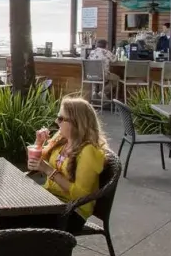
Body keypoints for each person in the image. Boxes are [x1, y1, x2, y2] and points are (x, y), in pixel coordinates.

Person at [22, 96, 108, 232]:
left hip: (71, 213)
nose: (57, 122)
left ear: (76, 122)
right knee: (9, 211)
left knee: (15, 217)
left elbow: (81, 195)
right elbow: (38, 160)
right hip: (51, 200)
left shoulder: (88, 151)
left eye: (61, 119)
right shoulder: (62, 139)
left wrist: (49, 171)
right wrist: (39, 143)